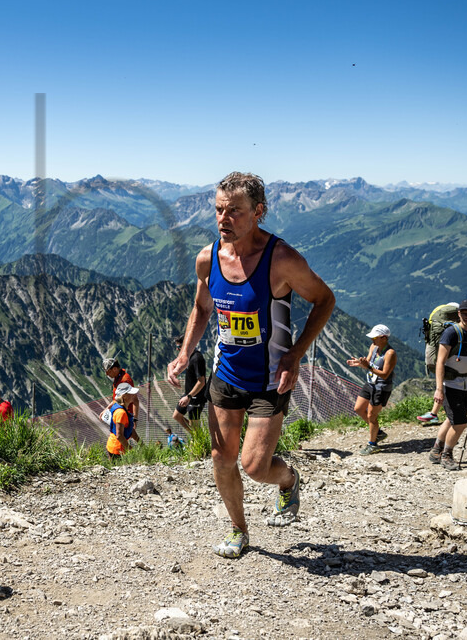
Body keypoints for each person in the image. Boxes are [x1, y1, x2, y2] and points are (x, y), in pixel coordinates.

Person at [167, 171, 335, 559]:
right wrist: (184, 353)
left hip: (270, 379)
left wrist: (295, 355)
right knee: (221, 459)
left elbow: (324, 300)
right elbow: (202, 307)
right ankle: (239, 530)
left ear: (259, 211)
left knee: (256, 466)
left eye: (235, 212)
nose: (224, 219)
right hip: (226, 374)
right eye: (219, 210)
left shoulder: (282, 259)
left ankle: (288, 478)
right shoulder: (208, 259)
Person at [428, 299, 467, 470]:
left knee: (452, 418)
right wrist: (439, 389)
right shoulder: (451, 333)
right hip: (450, 383)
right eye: (462, 312)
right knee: (460, 422)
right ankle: (447, 455)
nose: (466, 315)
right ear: (458, 314)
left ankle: (436, 450)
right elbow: (440, 362)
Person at [347, 324, 397, 455]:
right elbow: (368, 362)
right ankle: (378, 432)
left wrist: (368, 367)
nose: (372, 340)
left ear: (384, 338)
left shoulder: (390, 353)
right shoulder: (374, 347)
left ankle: (372, 444)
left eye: (375, 337)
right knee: (358, 408)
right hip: (370, 383)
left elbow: (385, 374)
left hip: (381, 387)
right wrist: (358, 363)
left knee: (371, 415)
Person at [172, 336, 207, 433]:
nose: (177, 349)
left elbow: (201, 381)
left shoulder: (197, 358)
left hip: (196, 397)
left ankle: (198, 439)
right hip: (188, 394)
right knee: (177, 416)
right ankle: (195, 435)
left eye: (179, 347)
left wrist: (189, 396)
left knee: (194, 426)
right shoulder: (188, 357)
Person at [102, 357, 140, 443]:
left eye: (108, 371)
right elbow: (117, 398)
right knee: (127, 432)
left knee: (121, 434)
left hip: (126, 411)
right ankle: (142, 447)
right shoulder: (118, 377)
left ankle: (127, 450)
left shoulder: (125, 380)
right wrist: (107, 408)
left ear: (115, 369)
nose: (107, 374)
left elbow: (135, 400)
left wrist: (135, 419)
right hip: (121, 409)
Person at [105, 382, 140, 460]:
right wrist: (129, 449)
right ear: (124, 396)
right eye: (131, 393)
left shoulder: (119, 406)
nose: (134, 395)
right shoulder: (121, 413)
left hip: (114, 446)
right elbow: (119, 435)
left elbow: (129, 429)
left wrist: (140, 443)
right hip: (118, 449)